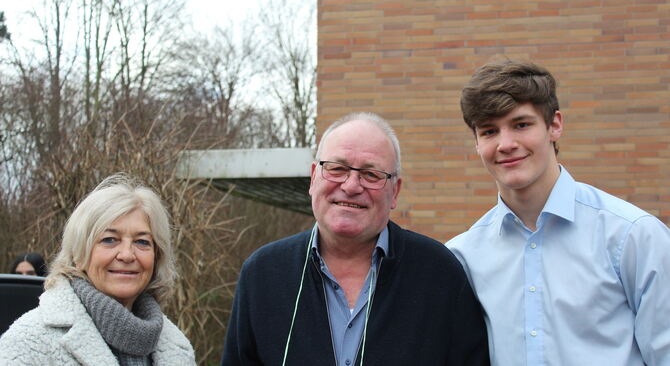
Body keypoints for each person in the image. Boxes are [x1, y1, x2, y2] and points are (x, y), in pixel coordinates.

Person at [447, 59, 670, 365]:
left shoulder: (632, 236)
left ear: (555, 125)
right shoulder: (463, 257)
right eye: (489, 131)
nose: (506, 144)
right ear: (476, 142)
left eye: (521, 125)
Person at [221, 112, 489, 365]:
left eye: (371, 174)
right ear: (314, 177)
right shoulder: (263, 274)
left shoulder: (440, 274)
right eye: (337, 169)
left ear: (394, 192)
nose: (350, 186)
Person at [0, 174, 196, 365]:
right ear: (79, 255)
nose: (127, 255)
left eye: (142, 241)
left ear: (157, 256)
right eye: (109, 239)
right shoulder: (28, 345)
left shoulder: (179, 349)